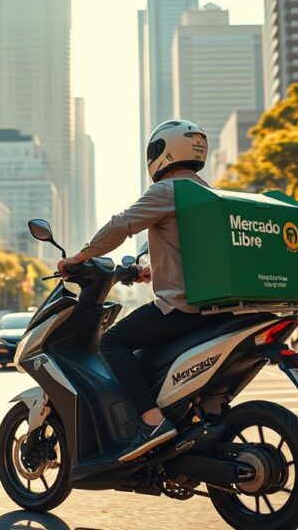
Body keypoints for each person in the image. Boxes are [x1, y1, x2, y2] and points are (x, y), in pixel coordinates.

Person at [57, 120, 219, 462]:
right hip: (212, 308)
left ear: (163, 153)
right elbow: (195, 252)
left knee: (112, 342)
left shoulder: (167, 191)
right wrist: (150, 271)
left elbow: (122, 225)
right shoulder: (208, 194)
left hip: (181, 309)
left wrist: (81, 255)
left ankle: (151, 420)